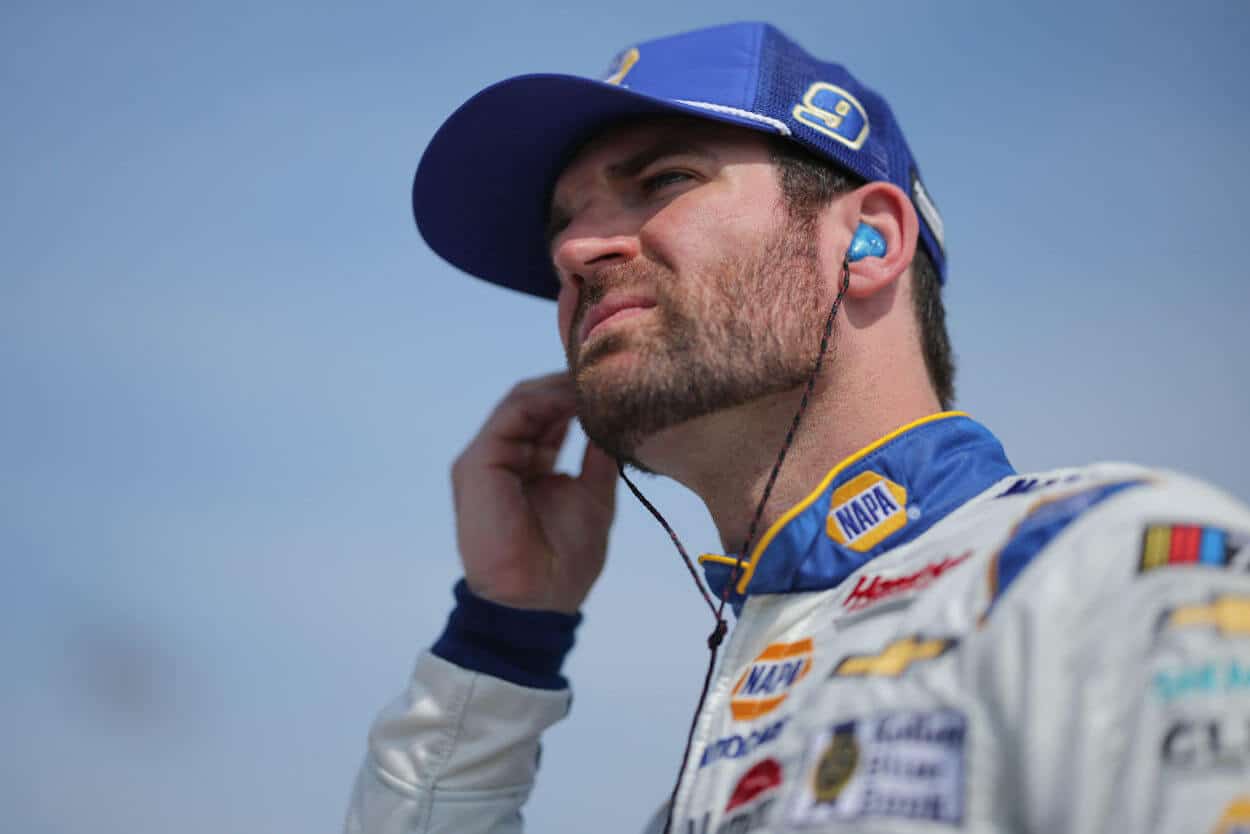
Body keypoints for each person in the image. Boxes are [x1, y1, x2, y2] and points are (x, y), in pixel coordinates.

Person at [345, 22, 1250, 834]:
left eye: (664, 179)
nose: (574, 253)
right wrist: (503, 634)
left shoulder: (1122, 567)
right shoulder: (706, 759)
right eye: (564, 225)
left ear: (870, 241)